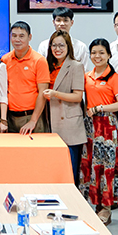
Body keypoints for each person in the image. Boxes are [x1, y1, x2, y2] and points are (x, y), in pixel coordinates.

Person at [82, 38, 118, 224]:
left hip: (107, 127)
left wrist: (100, 107)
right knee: (90, 167)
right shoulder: (87, 75)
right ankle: (92, 204)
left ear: (109, 55)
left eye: (101, 52)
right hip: (89, 127)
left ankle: (106, 208)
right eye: (94, 53)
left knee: (107, 167)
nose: (97, 56)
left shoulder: (114, 78)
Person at [41, 31, 86, 187]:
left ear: (68, 47)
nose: (57, 48)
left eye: (61, 45)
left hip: (69, 122)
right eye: (54, 45)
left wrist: (55, 94)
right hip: (50, 120)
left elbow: (78, 96)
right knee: (54, 168)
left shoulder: (76, 65)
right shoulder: (47, 65)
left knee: (70, 168)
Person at [1, 22, 50, 134]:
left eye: (21, 36)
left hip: (32, 117)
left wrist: (33, 120)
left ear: (30, 37)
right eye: (14, 36)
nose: (17, 39)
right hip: (11, 117)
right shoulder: (5, 59)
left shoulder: (39, 60)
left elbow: (43, 92)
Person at [37, 7, 89, 71]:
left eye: (65, 20)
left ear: (71, 23)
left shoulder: (81, 47)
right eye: (58, 20)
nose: (62, 24)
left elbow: (85, 71)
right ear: (54, 22)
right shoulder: (44, 45)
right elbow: (40, 70)